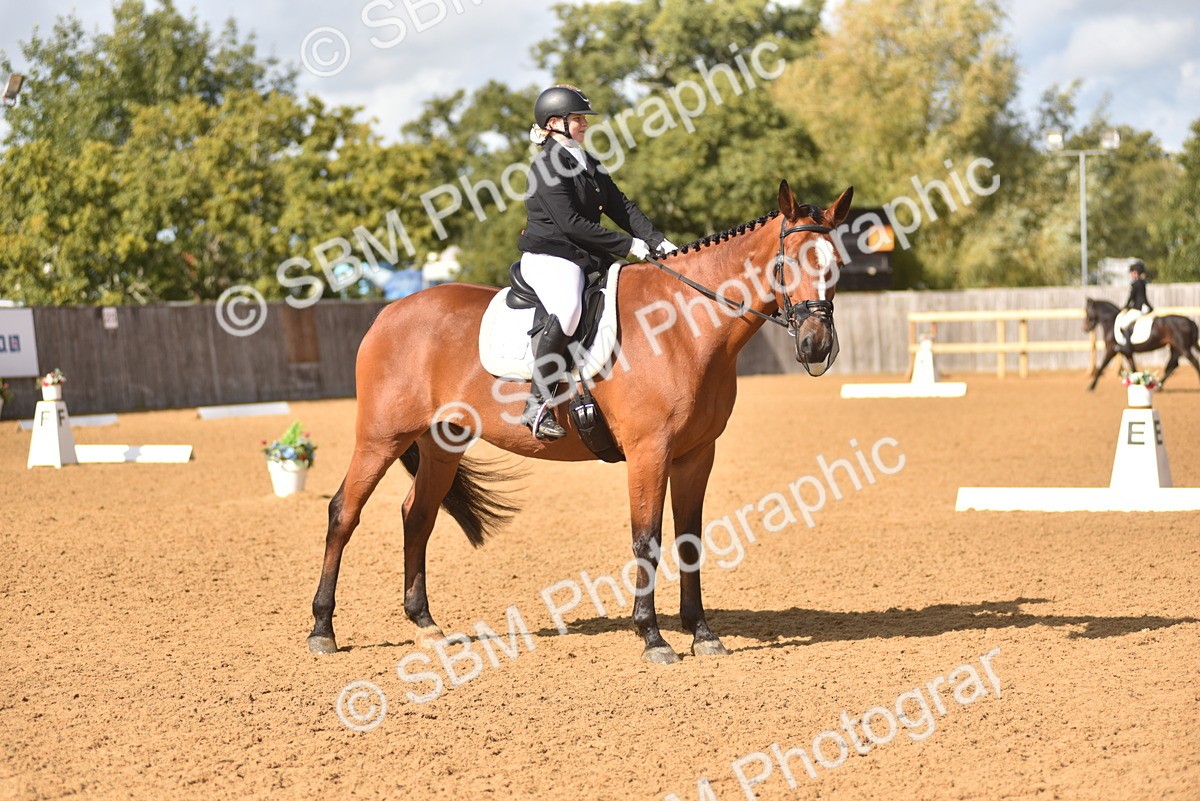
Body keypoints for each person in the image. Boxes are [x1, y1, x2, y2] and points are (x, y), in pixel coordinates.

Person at [516, 85, 677, 440]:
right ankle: (536, 404)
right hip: (552, 256)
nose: (584, 125)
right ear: (554, 123)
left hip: (585, 254)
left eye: (583, 119)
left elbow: (621, 205)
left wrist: (658, 241)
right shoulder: (546, 167)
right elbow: (572, 225)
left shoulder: (585, 160)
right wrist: (630, 246)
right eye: (577, 119)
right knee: (570, 306)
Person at [1118, 260, 1153, 354]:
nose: (1131, 275)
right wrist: (1150, 307)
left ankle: (1127, 346)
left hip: (1137, 309)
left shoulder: (1136, 284)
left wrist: (1125, 307)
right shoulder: (1143, 283)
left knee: (1123, 324)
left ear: (1136, 273)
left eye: (1132, 272)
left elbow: (1131, 298)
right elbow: (1143, 298)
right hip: (1144, 308)